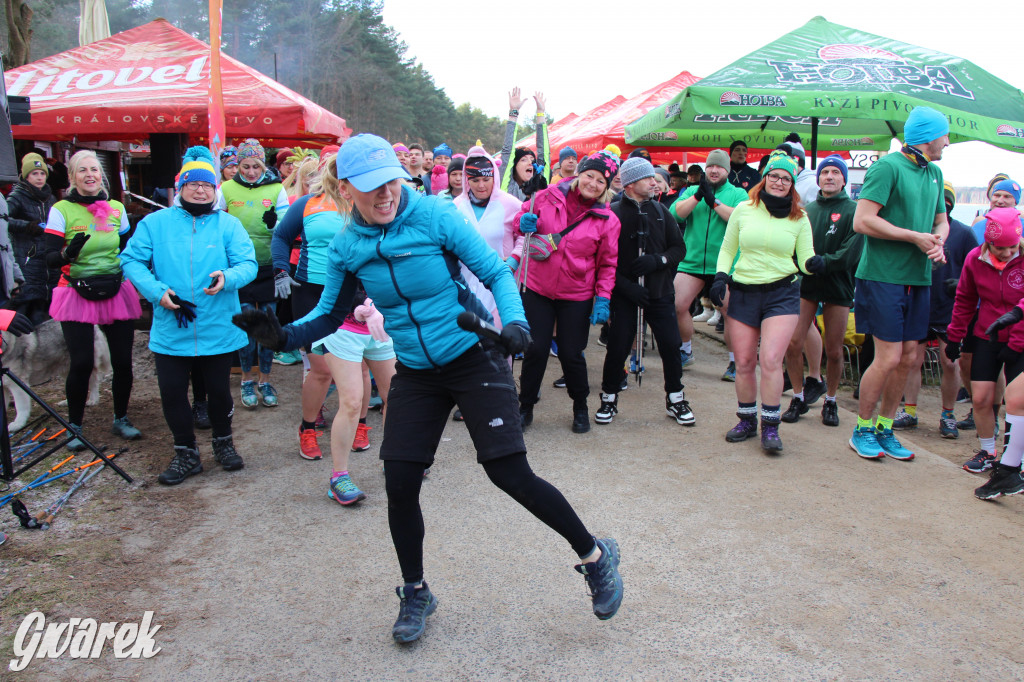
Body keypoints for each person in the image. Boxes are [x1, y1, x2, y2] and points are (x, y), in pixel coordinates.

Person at [232, 133, 623, 643]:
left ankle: (595, 555)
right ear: (347, 188)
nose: (386, 195)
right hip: (417, 369)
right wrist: (284, 334)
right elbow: (327, 314)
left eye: (390, 183)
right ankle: (415, 590)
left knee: (508, 472)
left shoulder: (435, 217)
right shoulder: (349, 244)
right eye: (371, 188)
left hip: (472, 355)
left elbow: (495, 273)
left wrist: (517, 324)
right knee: (399, 480)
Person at [121, 147, 257, 485]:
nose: (200, 190)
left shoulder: (229, 224)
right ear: (180, 187)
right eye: (193, 183)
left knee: (219, 391)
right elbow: (131, 261)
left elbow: (248, 264)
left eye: (207, 185)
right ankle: (186, 453)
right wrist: (156, 292)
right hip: (172, 326)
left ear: (215, 190)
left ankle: (223, 444)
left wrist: (228, 278)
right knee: (172, 392)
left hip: (217, 324)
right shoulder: (155, 224)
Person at [271, 155, 396, 502]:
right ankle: (337, 474)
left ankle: (396, 459)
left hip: (380, 319)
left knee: (395, 396)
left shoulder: (383, 209)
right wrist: (281, 271)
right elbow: (283, 238)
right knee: (350, 398)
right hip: (335, 311)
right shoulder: (311, 206)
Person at [848, 106, 950, 461]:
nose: (947, 142)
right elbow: (862, 221)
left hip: (918, 278)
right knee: (888, 356)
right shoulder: (887, 166)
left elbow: (942, 221)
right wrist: (913, 238)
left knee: (909, 358)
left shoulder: (934, 172)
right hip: (882, 275)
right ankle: (861, 427)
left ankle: (885, 429)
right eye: (944, 135)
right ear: (927, 135)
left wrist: (937, 242)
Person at [711, 151, 818, 453]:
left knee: (770, 360)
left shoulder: (800, 217)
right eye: (775, 176)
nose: (780, 182)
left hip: (782, 293)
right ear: (765, 178)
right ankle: (746, 419)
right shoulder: (744, 210)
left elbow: (805, 258)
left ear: (792, 184)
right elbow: (727, 249)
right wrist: (721, 277)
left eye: (786, 178)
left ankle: (770, 427)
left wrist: (816, 264)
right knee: (744, 361)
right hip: (744, 291)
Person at [39, 150, 143, 449]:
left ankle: (121, 418)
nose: (90, 175)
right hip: (75, 290)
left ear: (102, 174)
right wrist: (67, 254)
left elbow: (128, 248)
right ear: (72, 177)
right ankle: (75, 426)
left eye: (95, 169)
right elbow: (48, 259)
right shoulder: (61, 209)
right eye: (82, 170)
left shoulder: (115, 208)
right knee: (82, 361)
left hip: (114, 287)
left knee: (123, 361)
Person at [514, 152, 621, 433]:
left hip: (577, 293)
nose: (593, 183)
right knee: (535, 349)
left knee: (572, 352)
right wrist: (523, 223)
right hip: (538, 287)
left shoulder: (608, 220)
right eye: (589, 175)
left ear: (606, 187)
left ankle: (580, 405)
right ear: (579, 174)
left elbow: (608, 263)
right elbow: (521, 219)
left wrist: (604, 297)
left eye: (601, 181)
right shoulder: (547, 195)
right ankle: (525, 405)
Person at [595, 157, 690, 426]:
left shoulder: (662, 211)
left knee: (671, 345)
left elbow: (678, 249)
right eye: (648, 177)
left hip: (659, 293)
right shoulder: (611, 212)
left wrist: (657, 260)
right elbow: (601, 259)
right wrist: (626, 286)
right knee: (617, 347)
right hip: (625, 295)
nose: (655, 181)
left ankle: (676, 397)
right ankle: (609, 397)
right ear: (631, 183)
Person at [892, 181, 977, 439]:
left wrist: (961, 283)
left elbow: (976, 269)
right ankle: (910, 410)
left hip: (949, 308)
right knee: (911, 361)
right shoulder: (915, 232)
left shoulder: (962, 233)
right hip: (917, 302)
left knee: (950, 363)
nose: (944, 206)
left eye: (948, 201)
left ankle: (948, 414)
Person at [782, 155, 862, 427]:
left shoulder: (854, 210)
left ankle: (830, 400)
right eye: (825, 172)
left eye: (835, 172)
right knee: (793, 342)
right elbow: (793, 243)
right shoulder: (807, 210)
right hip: (807, 282)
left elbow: (852, 251)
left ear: (843, 179)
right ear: (817, 179)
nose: (829, 176)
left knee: (835, 349)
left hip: (838, 284)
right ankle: (798, 395)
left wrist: (826, 262)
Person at [946, 207, 1024, 474]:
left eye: (1011, 247)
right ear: (988, 243)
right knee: (980, 398)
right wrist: (954, 336)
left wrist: (1015, 343)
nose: (1006, 253)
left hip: (1020, 338)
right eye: (999, 248)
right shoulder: (974, 259)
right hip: (986, 334)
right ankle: (988, 450)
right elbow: (965, 300)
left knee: (1018, 401)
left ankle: (1015, 458)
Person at [221, 138, 290, 409]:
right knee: (248, 328)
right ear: (238, 165)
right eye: (246, 166)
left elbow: (285, 225)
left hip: (268, 266)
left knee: (269, 326)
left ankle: (265, 380)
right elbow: (214, 222)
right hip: (240, 267)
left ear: (263, 165)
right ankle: (246, 380)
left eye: (256, 166)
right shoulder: (225, 188)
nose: (251, 172)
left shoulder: (276, 188)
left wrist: (275, 224)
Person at [670, 149, 748, 378]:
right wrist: (696, 197)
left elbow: (741, 218)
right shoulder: (693, 190)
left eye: (719, 167)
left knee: (729, 312)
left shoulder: (738, 193)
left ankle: (735, 362)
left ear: (728, 170)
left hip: (725, 265)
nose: (714, 170)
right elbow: (675, 214)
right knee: (676, 304)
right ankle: (685, 350)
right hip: (692, 261)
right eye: (710, 166)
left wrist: (714, 203)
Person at [6, 152, 55, 312]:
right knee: (26, 306)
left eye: (42, 173)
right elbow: (3, 219)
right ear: (26, 176)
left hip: (47, 260)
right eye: (34, 173)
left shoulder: (50, 198)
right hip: (26, 259)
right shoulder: (17, 196)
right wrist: (27, 226)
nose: (39, 177)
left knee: (45, 304)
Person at [500, 88, 548, 201]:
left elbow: (544, 154)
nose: (530, 162)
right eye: (523, 160)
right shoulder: (507, 189)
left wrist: (540, 113)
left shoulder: (541, 186)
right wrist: (513, 113)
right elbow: (507, 153)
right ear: (514, 166)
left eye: (532, 159)